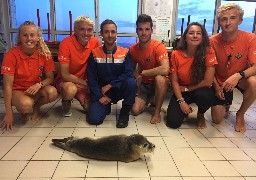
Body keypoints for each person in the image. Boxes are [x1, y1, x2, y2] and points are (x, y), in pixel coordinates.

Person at [0, 21, 58, 131]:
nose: (29, 38)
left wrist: (39, 84)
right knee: (26, 105)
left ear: (38, 38)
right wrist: (9, 113)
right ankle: (24, 108)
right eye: (25, 35)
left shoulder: (44, 54)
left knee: (52, 92)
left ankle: (36, 108)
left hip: (35, 88)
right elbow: (7, 86)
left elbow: (50, 78)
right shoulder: (11, 55)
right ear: (20, 38)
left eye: (32, 35)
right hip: (17, 90)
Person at [210, 3, 256, 133]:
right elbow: (209, 68)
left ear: (240, 20)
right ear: (219, 22)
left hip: (240, 79)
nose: (228, 23)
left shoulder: (251, 38)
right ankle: (226, 103)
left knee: (254, 82)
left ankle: (240, 114)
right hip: (220, 82)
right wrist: (216, 86)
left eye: (233, 18)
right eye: (224, 19)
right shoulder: (212, 41)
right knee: (217, 119)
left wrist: (238, 75)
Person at [166, 22, 217, 129]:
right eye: (191, 33)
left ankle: (201, 114)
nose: (195, 36)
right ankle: (184, 110)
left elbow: (208, 81)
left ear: (202, 37)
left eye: (198, 33)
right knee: (173, 123)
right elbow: (174, 81)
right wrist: (181, 101)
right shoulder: (176, 54)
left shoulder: (209, 52)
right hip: (182, 91)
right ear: (185, 37)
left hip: (199, 89)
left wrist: (188, 89)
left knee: (206, 96)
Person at [87, 19, 136, 128]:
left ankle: (124, 113)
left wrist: (111, 85)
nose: (110, 35)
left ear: (116, 33)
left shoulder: (125, 52)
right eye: (106, 32)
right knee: (94, 119)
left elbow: (128, 73)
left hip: (118, 89)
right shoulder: (94, 53)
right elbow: (91, 78)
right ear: (101, 34)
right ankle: (106, 105)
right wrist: (99, 96)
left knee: (131, 82)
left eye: (113, 32)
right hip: (103, 92)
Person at [55, 16, 100, 117]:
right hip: (67, 81)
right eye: (82, 29)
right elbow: (65, 75)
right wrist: (87, 84)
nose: (86, 33)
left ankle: (82, 96)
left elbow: (97, 66)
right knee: (70, 90)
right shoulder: (65, 43)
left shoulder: (95, 42)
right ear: (75, 30)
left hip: (84, 81)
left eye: (89, 30)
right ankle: (66, 101)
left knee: (94, 113)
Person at [130, 14, 170, 124]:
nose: (143, 33)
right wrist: (136, 78)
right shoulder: (133, 49)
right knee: (134, 110)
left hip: (157, 83)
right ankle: (151, 100)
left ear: (151, 30)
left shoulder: (158, 46)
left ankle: (157, 112)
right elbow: (132, 69)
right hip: (144, 86)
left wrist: (143, 73)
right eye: (140, 29)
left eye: (147, 29)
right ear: (137, 31)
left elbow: (165, 69)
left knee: (160, 79)